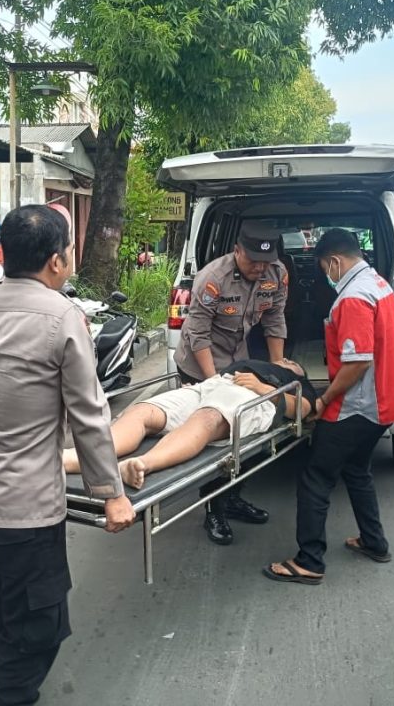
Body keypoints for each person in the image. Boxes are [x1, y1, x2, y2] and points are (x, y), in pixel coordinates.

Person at [0, 204, 134, 706]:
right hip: (22, 508)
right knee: (36, 623)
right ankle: (1, 697)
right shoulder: (63, 317)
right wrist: (111, 494)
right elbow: (88, 415)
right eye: (69, 249)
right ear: (56, 261)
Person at [264, 229, 394, 586]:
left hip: (358, 406)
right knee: (357, 469)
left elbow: (357, 361)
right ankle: (374, 541)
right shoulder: (377, 283)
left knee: (315, 477)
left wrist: (323, 399)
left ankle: (309, 561)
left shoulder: (353, 298)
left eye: (324, 269)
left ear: (334, 261)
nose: (326, 276)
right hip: (384, 401)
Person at [174, 220, 289, 545]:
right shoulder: (212, 278)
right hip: (200, 364)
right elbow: (197, 334)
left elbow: (274, 317)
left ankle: (234, 497)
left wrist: (278, 367)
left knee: (248, 433)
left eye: (265, 261)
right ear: (237, 251)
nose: (260, 268)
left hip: (237, 358)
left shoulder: (277, 274)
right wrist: (213, 384)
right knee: (215, 440)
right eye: (253, 260)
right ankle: (215, 510)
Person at [64, 358, 315, 490]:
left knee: (207, 417)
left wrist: (262, 387)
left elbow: (303, 409)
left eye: (291, 362)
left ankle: (142, 465)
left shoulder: (295, 381)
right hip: (214, 383)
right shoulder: (255, 362)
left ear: (298, 372)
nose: (285, 359)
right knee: (143, 412)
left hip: (256, 395)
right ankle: (78, 457)